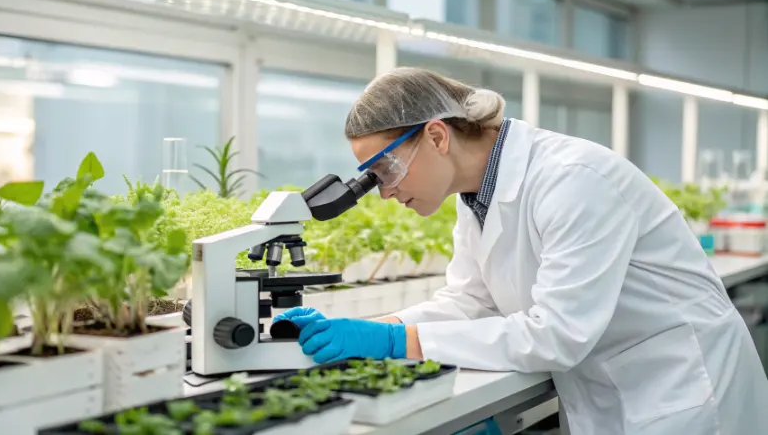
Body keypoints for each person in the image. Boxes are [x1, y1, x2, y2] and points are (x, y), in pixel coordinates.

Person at [274, 67, 768, 434]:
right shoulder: (475, 200)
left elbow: (557, 334)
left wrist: (395, 345)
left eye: (385, 170)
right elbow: (469, 302)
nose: (383, 191)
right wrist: (378, 328)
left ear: (437, 136)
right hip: (616, 390)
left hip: (684, 392)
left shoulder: (574, 180)